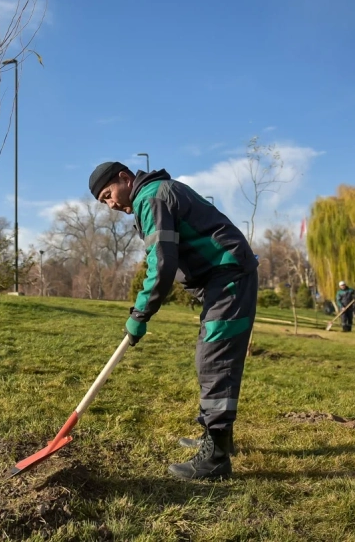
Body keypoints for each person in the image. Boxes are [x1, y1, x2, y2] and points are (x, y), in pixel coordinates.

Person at [89, 161, 258, 481]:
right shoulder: (156, 194)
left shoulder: (151, 198)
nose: (110, 205)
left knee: (214, 359)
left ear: (125, 178)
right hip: (222, 279)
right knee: (212, 358)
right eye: (103, 202)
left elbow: (162, 264)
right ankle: (217, 436)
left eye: (108, 194)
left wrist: (140, 314)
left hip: (230, 276)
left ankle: (217, 458)